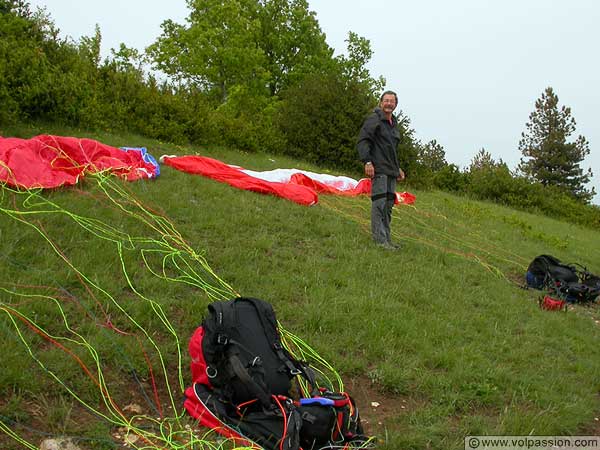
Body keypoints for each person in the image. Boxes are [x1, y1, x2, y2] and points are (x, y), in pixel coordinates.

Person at [356, 90, 405, 250]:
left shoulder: (393, 124)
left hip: (390, 171)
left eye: (392, 101)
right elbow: (363, 141)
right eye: (386, 100)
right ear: (381, 102)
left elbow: (391, 149)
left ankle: (387, 239)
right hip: (378, 169)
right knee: (379, 204)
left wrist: (397, 168)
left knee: (389, 206)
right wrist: (367, 161)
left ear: (395, 105)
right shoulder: (374, 120)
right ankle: (379, 241)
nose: (389, 104)